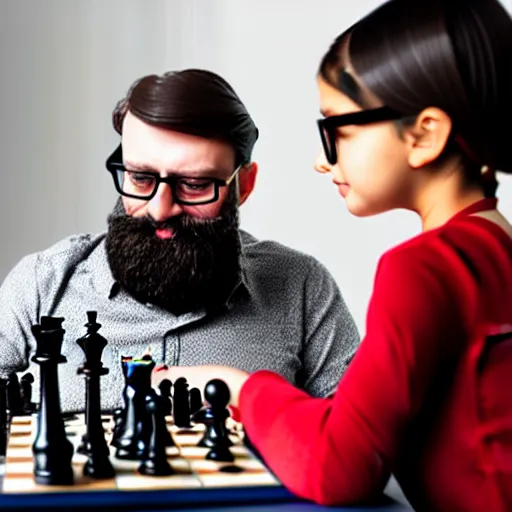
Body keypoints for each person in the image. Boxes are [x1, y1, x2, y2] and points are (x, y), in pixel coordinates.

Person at [155, 2, 512, 511]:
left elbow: (339, 467)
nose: (324, 162)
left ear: (424, 133)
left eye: (339, 131)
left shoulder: (422, 268)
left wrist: (242, 386)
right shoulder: (495, 239)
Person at [0, 69, 359, 413]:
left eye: (195, 185)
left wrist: (247, 394)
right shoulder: (40, 286)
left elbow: (358, 450)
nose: (160, 209)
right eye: (140, 178)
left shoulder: (302, 287)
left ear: (243, 185)